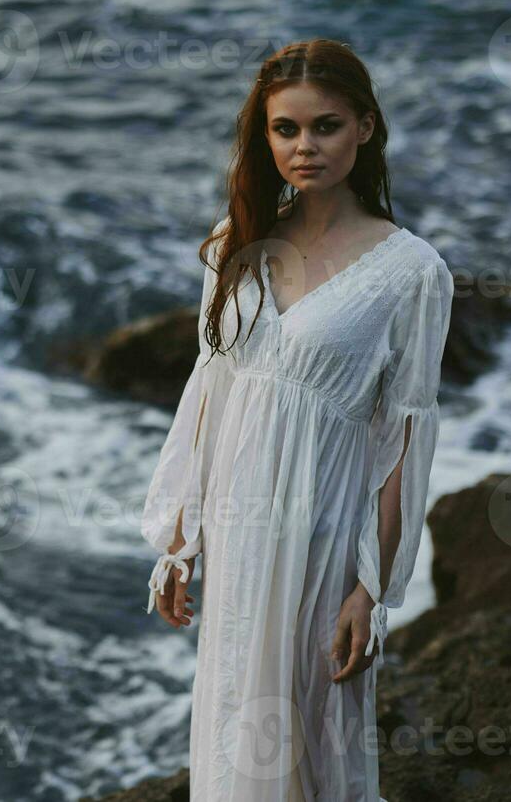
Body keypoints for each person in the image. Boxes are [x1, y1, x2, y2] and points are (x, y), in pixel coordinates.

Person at [141, 39, 455, 801]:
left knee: (314, 744)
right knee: (233, 727)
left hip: (322, 541)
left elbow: (402, 444)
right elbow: (208, 395)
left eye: (326, 126)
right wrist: (181, 540)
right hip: (240, 534)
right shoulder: (234, 243)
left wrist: (369, 592)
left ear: (366, 129)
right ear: (264, 136)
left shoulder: (411, 272)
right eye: (286, 130)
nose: (304, 147)